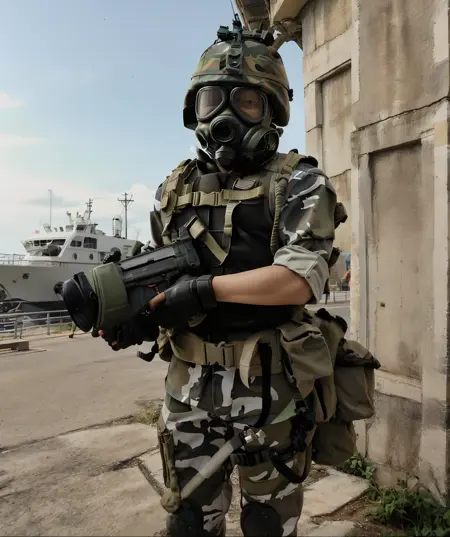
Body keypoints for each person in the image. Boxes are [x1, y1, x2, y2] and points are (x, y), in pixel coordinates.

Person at [98, 19, 349, 537]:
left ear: (271, 110)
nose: (226, 117)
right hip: (187, 388)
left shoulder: (300, 182)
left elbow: (297, 280)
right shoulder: (174, 189)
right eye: (212, 101)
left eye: (247, 102)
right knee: (188, 522)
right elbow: (162, 272)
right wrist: (138, 314)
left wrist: (203, 291)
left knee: (267, 525)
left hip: (270, 389)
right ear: (195, 110)